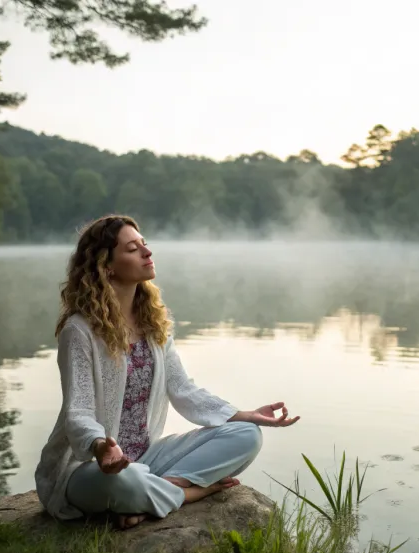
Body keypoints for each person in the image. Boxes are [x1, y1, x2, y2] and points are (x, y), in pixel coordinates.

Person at [35, 215, 299, 529]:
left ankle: (155, 494)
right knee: (125, 481)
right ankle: (190, 493)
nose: (147, 253)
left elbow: (184, 390)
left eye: (145, 245)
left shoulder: (152, 324)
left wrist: (245, 415)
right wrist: (100, 446)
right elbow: (77, 412)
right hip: (88, 468)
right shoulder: (79, 331)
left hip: (148, 459)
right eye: (133, 249)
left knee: (247, 436)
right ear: (106, 265)